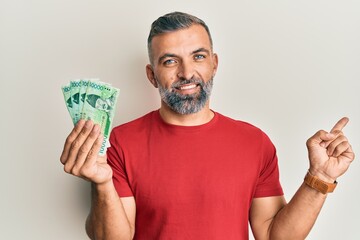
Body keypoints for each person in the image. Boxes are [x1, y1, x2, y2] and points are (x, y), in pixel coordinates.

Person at [60, 12, 355, 240]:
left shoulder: (255, 142)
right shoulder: (121, 142)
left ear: (214, 63)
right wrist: (101, 182)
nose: (187, 73)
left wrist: (319, 179)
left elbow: (273, 235)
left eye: (198, 57)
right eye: (170, 61)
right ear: (151, 75)